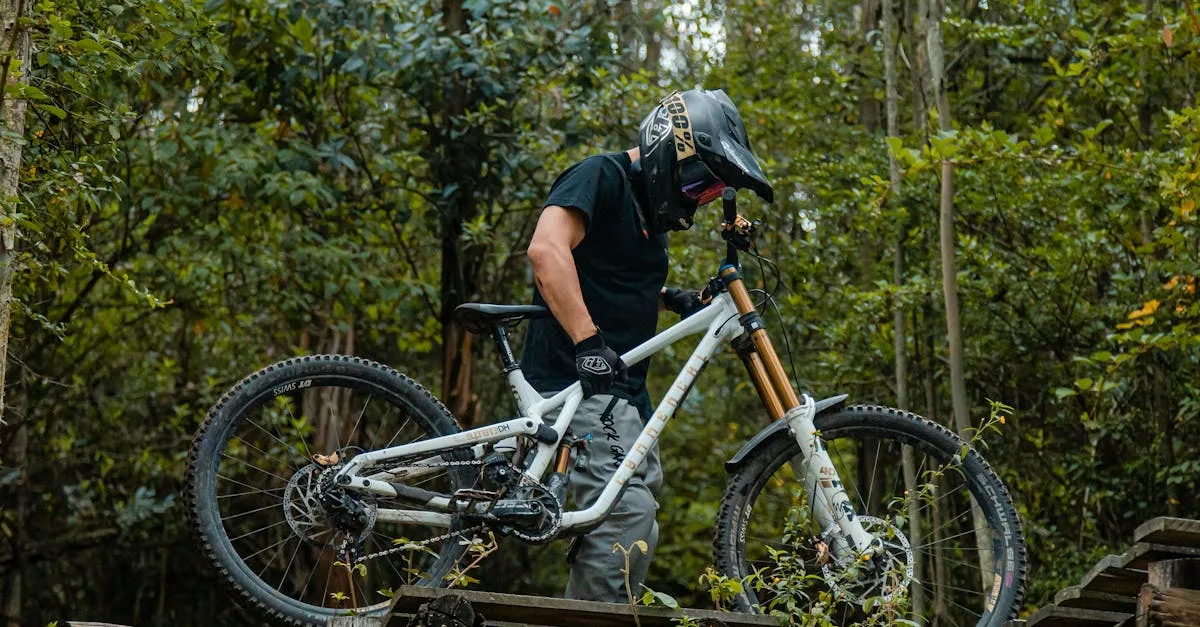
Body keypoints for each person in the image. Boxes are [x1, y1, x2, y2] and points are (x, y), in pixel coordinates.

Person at [520, 89, 775, 602]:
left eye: (708, 193)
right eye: (697, 181)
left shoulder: (648, 219)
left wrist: (665, 297)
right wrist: (587, 342)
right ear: (665, 149)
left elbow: (605, 275)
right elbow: (547, 251)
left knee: (641, 522)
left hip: (619, 392)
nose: (696, 197)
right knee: (626, 513)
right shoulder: (600, 176)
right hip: (573, 382)